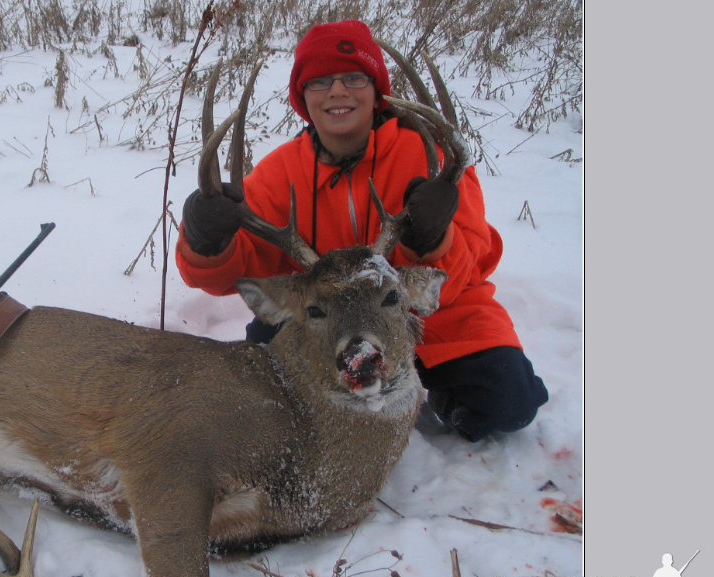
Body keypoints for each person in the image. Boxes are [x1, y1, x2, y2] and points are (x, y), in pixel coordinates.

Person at [176, 20, 548, 442]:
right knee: (260, 394)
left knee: (508, 405)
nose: (337, 91)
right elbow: (238, 270)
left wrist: (430, 242)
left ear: (377, 91)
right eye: (319, 82)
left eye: (353, 77)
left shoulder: (430, 157)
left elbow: (470, 263)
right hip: (328, 320)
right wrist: (208, 241)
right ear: (303, 98)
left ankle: (438, 399)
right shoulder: (281, 172)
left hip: (432, 316)